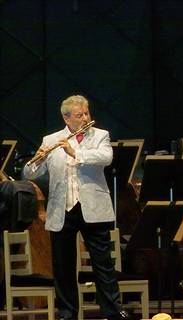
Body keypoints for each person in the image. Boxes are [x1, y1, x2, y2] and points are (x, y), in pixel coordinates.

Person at [23, 95, 129, 320]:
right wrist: (39, 159)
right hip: (62, 209)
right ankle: (67, 312)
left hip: (93, 207)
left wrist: (75, 152)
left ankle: (112, 310)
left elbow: (106, 157)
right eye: (80, 115)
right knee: (63, 266)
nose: (85, 118)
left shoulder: (101, 136)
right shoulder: (51, 139)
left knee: (103, 263)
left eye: (86, 113)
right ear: (66, 117)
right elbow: (29, 173)